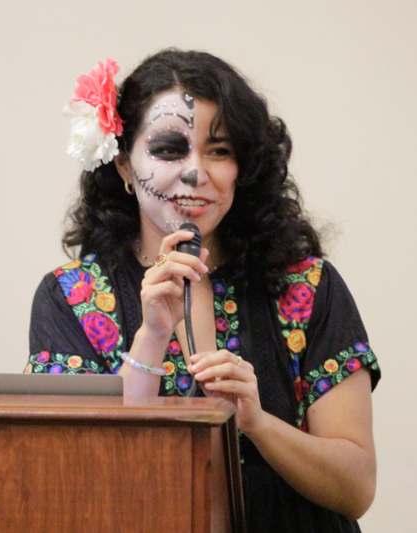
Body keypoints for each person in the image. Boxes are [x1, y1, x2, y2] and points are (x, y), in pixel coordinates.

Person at [25, 49, 381, 532]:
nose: (197, 173)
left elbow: (356, 489)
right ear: (125, 166)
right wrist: (150, 338)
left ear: (243, 169)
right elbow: (69, 474)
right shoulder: (70, 296)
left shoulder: (309, 286)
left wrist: (258, 423)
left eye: (219, 151)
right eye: (170, 149)